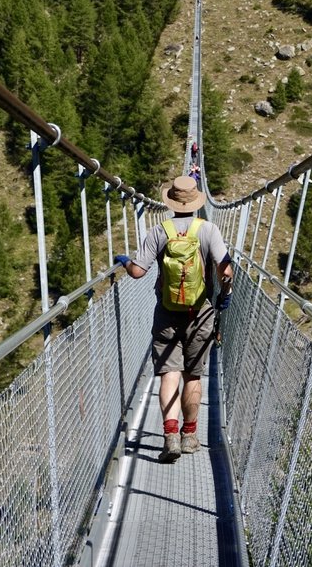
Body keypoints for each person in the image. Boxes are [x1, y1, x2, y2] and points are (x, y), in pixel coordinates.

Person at [115, 175, 232, 463]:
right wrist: (224, 294)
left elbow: (138, 272)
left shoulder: (158, 231)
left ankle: (170, 437)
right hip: (201, 313)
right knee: (192, 374)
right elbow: (225, 272)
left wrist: (124, 260)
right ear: (195, 203)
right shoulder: (208, 229)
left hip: (167, 314)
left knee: (169, 373)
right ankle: (190, 436)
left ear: (170, 203)